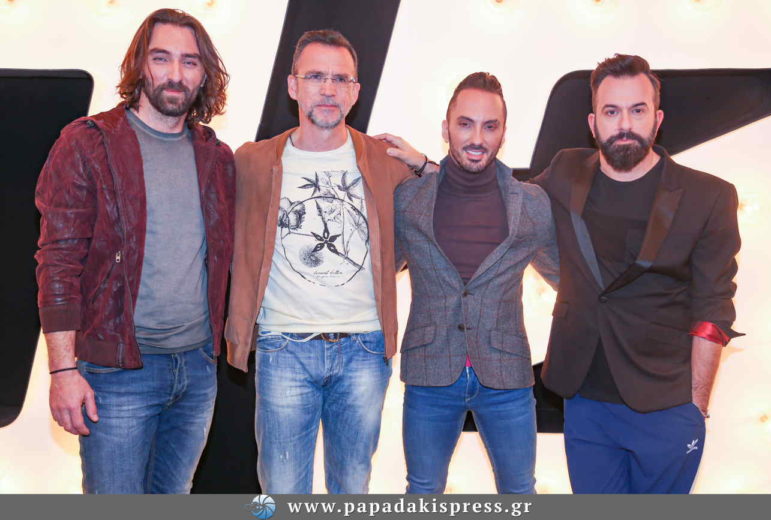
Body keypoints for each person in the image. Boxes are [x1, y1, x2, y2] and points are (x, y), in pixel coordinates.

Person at [35, 8, 234, 494]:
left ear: (204, 74)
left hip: (197, 370)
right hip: (116, 370)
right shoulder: (88, 143)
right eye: (161, 58)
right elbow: (58, 263)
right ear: (139, 65)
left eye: (190, 62)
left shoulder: (216, 157)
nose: (175, 73)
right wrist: (63, 369)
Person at [224, 29, 429, 494]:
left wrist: (422, 163)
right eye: (316, 76)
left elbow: (449, 199)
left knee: (352, 489)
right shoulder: (252, 162)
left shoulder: (386, 160)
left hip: (364, 350)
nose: (329, 89)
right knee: (281, 491)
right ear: (293, 85)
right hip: (283, 348)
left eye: (341, 79)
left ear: (355, 91)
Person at [533, 54, 742, 493]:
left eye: (638, 110)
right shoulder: (566, 170)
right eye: (611, 112)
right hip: (584, 400)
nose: (624, 124)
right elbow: (505, 204)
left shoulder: (708, 196)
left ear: (657, 119)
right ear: (593, 123)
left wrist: (695, 407)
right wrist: (424, 167)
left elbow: (713, 308)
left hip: (666, 404)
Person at [393, 72, 558, 494]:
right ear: (446, 128)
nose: (477, 138)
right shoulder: (408, 198)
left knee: (519, 493)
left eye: (490, 126)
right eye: (465, 124)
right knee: (423, 491)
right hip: (429, 371)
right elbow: (377, 270)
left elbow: (570, 280)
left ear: (503, 133)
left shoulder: (532, 204)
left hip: (506, 376)